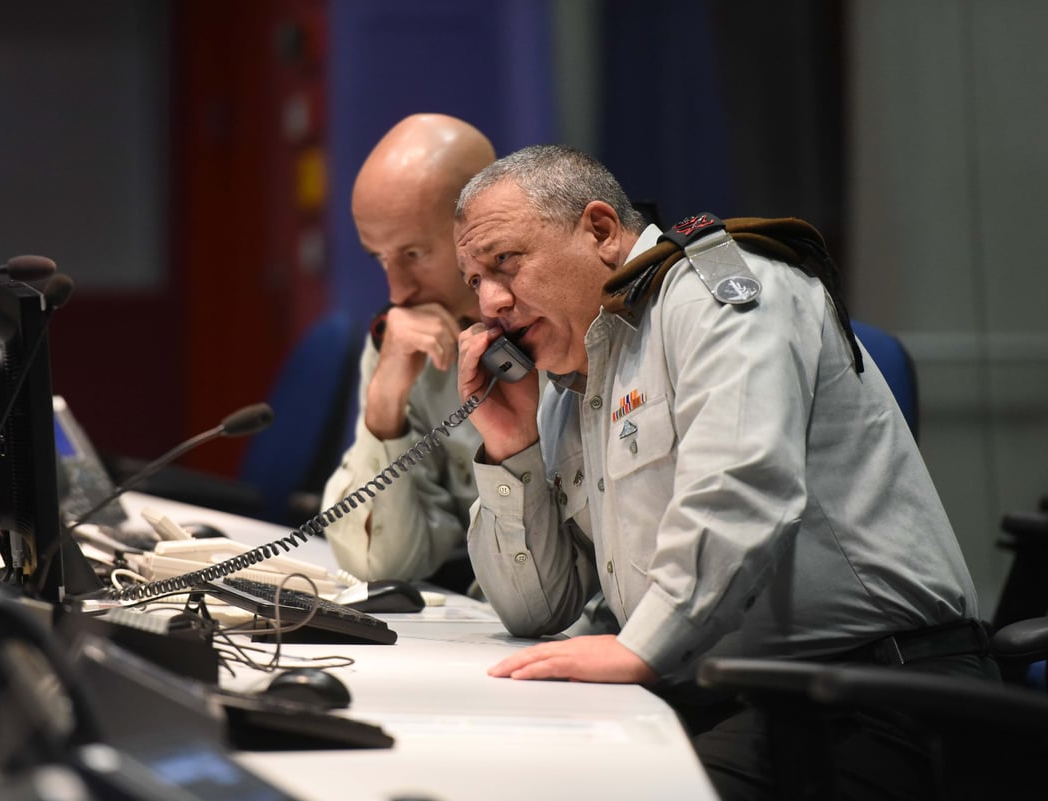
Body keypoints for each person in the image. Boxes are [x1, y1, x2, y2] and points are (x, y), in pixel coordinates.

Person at [453, 144, 995, 799]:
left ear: (598, 229)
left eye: (504, 263)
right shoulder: (571, 375)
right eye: (474, 281)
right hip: (725, 692)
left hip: (871, 696)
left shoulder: (725, 291)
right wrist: (512, 449)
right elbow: (534, 608)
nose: (490, 303)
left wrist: (640, 647)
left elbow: (742, 487)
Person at [321, 114, 495, 589]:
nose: (397, 293)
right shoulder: (402, 344)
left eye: (414, 254)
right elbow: (382, 563)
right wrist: (384, 405)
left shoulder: (562, 331)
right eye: (380, 257)